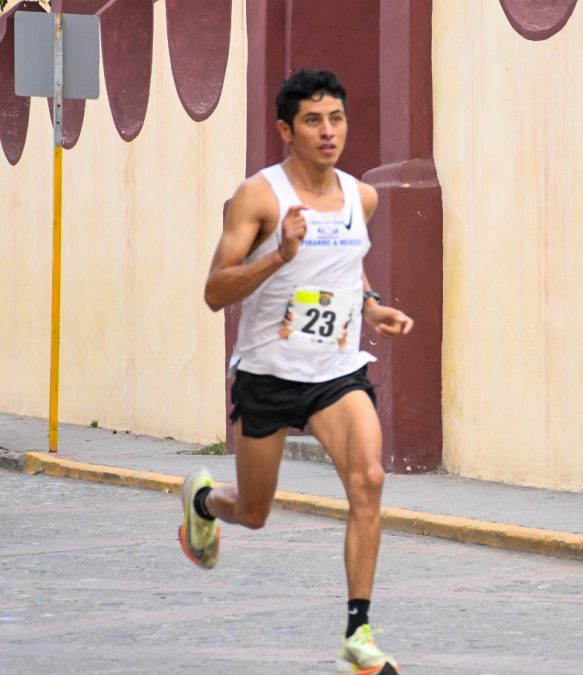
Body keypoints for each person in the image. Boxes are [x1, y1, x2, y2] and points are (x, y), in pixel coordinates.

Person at [178, 68, 412, 675]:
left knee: (369, 482)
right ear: (286, 129)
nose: (328, 131)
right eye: (313, 120)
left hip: (337, 372)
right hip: (268, 374)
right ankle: (204, 503)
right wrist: (279, 256)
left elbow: (348, 269)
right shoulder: (260, 196)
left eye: (335, 118)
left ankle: (358, 634)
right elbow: (213, 291)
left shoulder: (362, 197)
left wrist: (373, 306)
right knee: (254, 512)